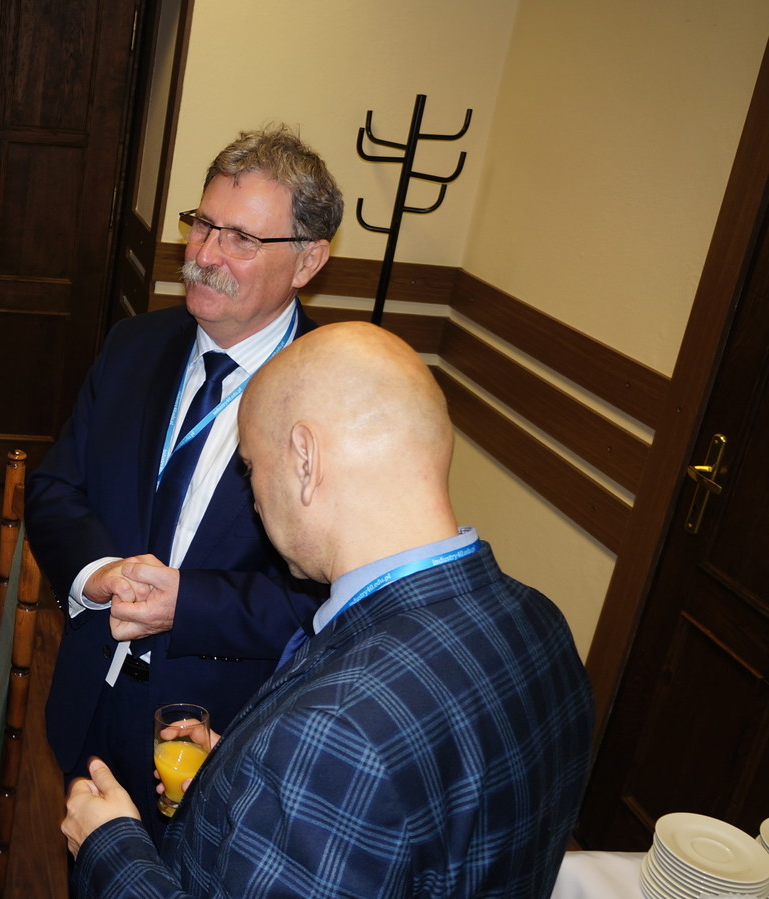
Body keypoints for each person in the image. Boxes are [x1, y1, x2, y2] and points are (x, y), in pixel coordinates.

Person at [61, 322, 595, 898]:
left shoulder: (333, 734)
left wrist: (109, 847)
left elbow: (341, 767)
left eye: (250, 467)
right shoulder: (541, 622)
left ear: (306, 458)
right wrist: (234, 772)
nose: (255, 499)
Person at [27, 126, 337, 830]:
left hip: (224, 733)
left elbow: (331, 598)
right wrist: (99, 573)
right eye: (201, 225)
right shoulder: (134, 344)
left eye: (241, 239)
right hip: (92, 697)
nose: (204, 255)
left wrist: (188, 604)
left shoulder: (333, 394)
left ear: (308, 260)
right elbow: (55, 488)